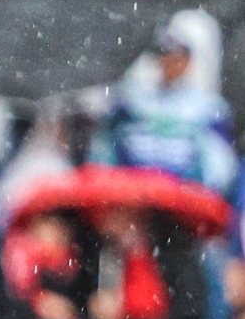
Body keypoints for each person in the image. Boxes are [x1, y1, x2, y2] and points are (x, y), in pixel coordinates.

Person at [96, 25, 237, 194]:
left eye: (177, 55)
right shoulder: (131, 101)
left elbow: (220, 167)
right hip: (132, 195)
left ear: (190, 60)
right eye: (164, 53)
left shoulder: (209, 109)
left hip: (185, 199)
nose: (169, 61)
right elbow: (105, 149)